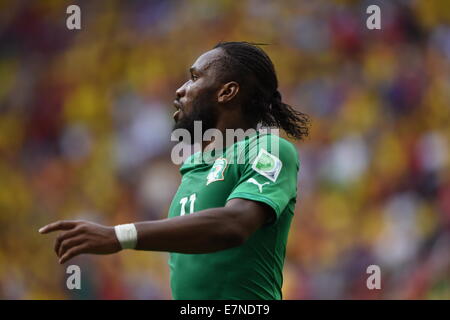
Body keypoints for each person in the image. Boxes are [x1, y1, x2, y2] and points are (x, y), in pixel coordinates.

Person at [39, 41, 310, 299]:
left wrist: (119, 235)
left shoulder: (269, 148)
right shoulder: (193, 165)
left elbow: (234, 224)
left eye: (194, 77)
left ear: (227, 91)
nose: (180, 90)